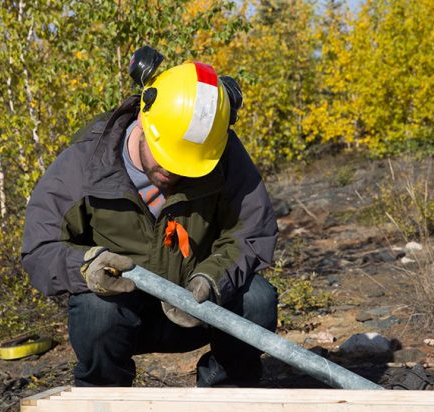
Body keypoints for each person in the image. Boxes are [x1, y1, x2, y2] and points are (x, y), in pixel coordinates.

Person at [21, 47, 278, 387]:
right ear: (144, 120)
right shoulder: (86, 162)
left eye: (188, 165)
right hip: (123, 312)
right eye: (166, 157)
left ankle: (226, 388)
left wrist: (213, 280)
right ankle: (105, 397)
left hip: (198, 305)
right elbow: (38, 247)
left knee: (258, 300)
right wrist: (86, 265)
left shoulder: (222, 152)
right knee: (98, 313)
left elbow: (252, 234)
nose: (173, 172)